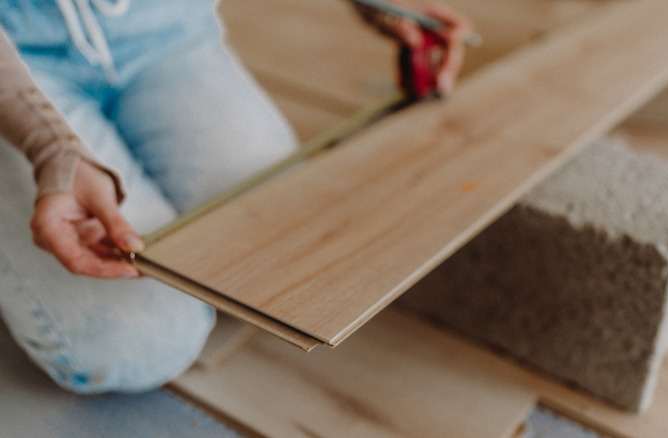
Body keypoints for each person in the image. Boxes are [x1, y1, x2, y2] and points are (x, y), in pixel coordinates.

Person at [0, 0, 472, 394]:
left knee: (282, 245)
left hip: (165, 29)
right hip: (16, 53)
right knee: (143, 341)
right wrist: (50, 143)